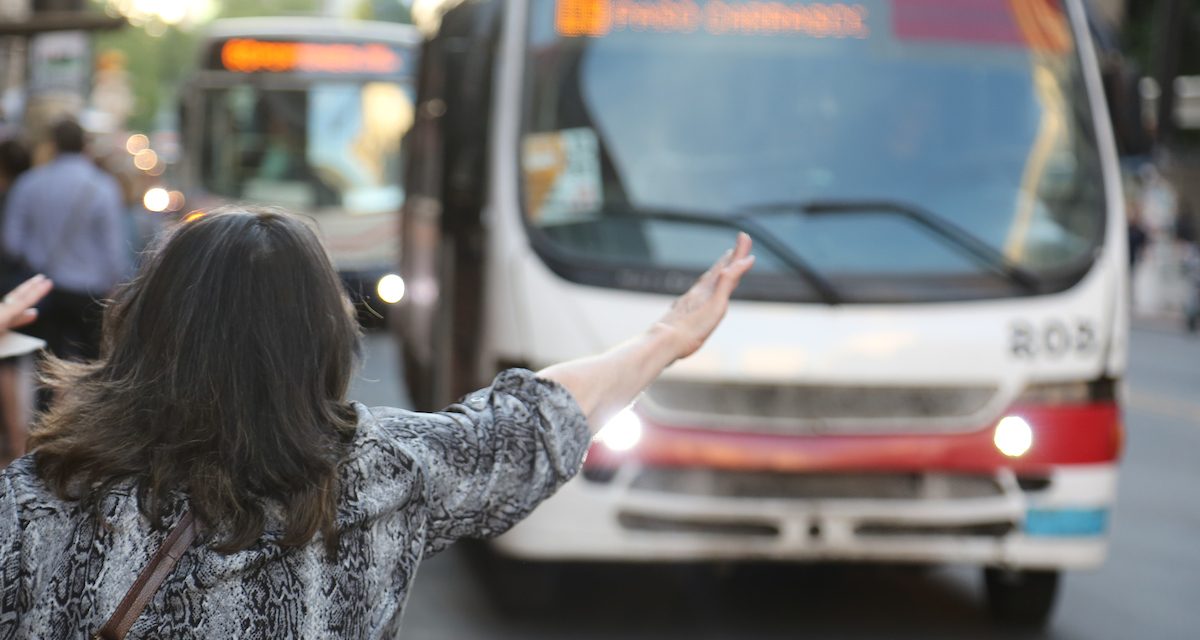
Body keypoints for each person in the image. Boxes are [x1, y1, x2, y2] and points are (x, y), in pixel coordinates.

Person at [0, 206, 755, 637]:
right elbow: (533, 419)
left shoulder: (35, 502)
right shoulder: (387, 475)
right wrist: (662, 342)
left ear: (143, 325)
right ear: (327, 337)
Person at [2, 118, 130, 361]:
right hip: (89, 292)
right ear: (84, 144)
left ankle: (46, 401)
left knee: (44, 368)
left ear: (53, 145)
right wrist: (115, 284)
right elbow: (113, 247)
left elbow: (12, 242)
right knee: (89, 367)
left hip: (42, 287)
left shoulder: (30, 183)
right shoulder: (102, 187)